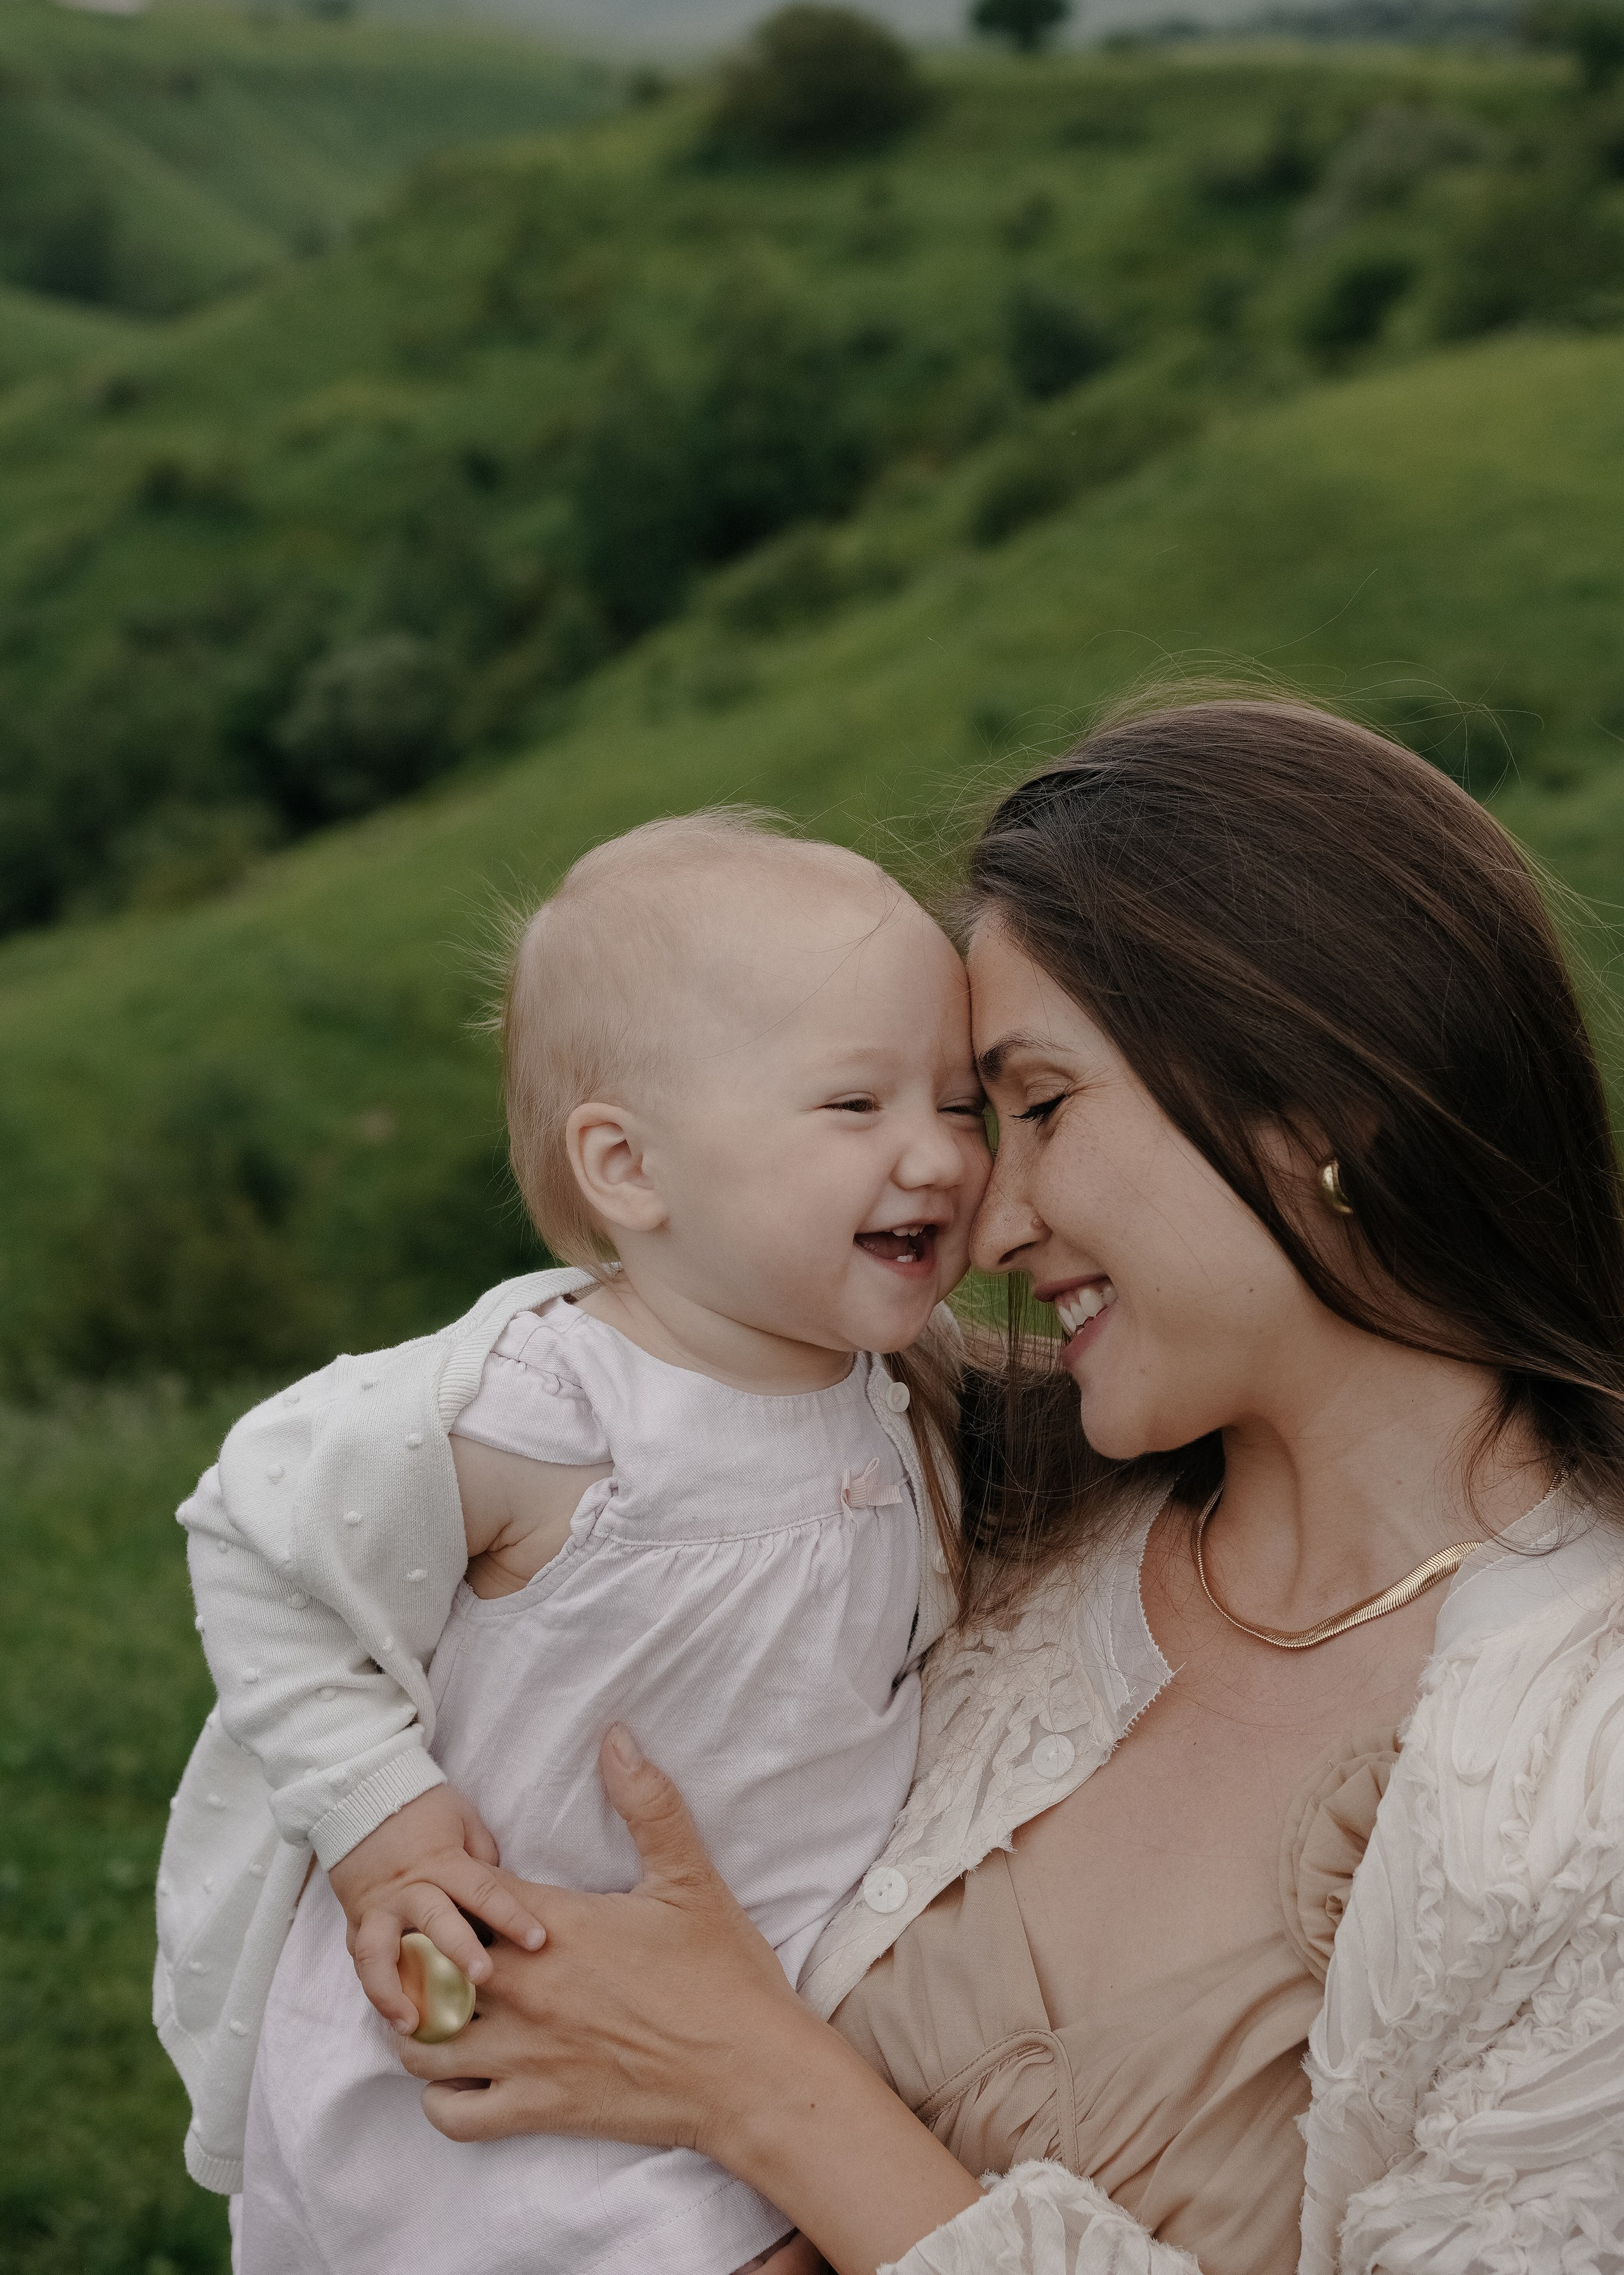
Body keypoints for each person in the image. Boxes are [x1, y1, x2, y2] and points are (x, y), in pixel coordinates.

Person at [395, 698, 1624, 2272]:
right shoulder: (944, 1489)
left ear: (1317, 1097)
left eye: (1036, 1107)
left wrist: (755, 2085)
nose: (988, 1218)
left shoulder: (1575, 1771)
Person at [155, 811, 992, 2275]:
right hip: (499, 2042)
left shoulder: (893, 1408)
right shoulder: (554, 1405)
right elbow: (256, 1530)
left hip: (732, 2039)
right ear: (626, 1166)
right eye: (854, 1107)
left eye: (960, 1101)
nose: (934, 1154)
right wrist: (382, 1824)